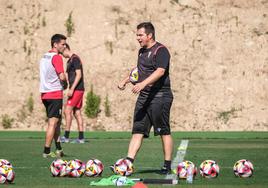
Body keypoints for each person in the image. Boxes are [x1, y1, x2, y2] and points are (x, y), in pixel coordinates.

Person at [118, 22, 174, 174]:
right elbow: (139, 70)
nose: (137, 38)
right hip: (144, 97)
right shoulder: (141, 52)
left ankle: (167, 166)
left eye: (140, 35)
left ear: (149, 35)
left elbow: (160, 71)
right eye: (136, 35)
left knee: (163, 131)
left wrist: (142, 84)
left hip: (160, 95)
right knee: (138, 130)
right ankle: (127, 165)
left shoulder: (161, 51)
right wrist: (126, 79)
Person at [39, 34, 67, 158]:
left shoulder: (44, 57)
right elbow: (61, 75)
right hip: (55, 94)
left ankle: (59, 149)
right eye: (62, 44)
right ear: (55, 44)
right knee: (53, 122)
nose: (64, 46)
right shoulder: (57, 57)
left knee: (57, 122)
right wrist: (65, 83)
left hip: (45, 94)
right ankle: (46, 151)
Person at [60, 43, 85, 144]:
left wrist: (72, 89)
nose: (61, 55)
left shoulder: (75, 59)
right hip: (76, 89)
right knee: (77, 112)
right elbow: (68, 76)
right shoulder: (69, 61)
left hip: (77, 89)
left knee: (67, 110)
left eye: (61, 52)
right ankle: (81, 138)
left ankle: (66, 137)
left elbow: (79, 75)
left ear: (65, 48)